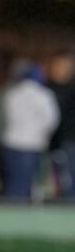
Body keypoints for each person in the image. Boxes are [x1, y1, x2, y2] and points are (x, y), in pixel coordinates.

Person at [0, 60, 60, 201]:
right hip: (32, 145)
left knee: (12, 184)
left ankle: (9, 216)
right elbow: (51, 120)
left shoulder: (11, 94)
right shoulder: (43, 95)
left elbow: (5, 119)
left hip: (11, 143)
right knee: (27, 185)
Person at [46, 48, 75, 199]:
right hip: (56, 139)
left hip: (69, 139)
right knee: (60, 177)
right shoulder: (48, 87)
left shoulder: (70, 89)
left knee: (69, 177)